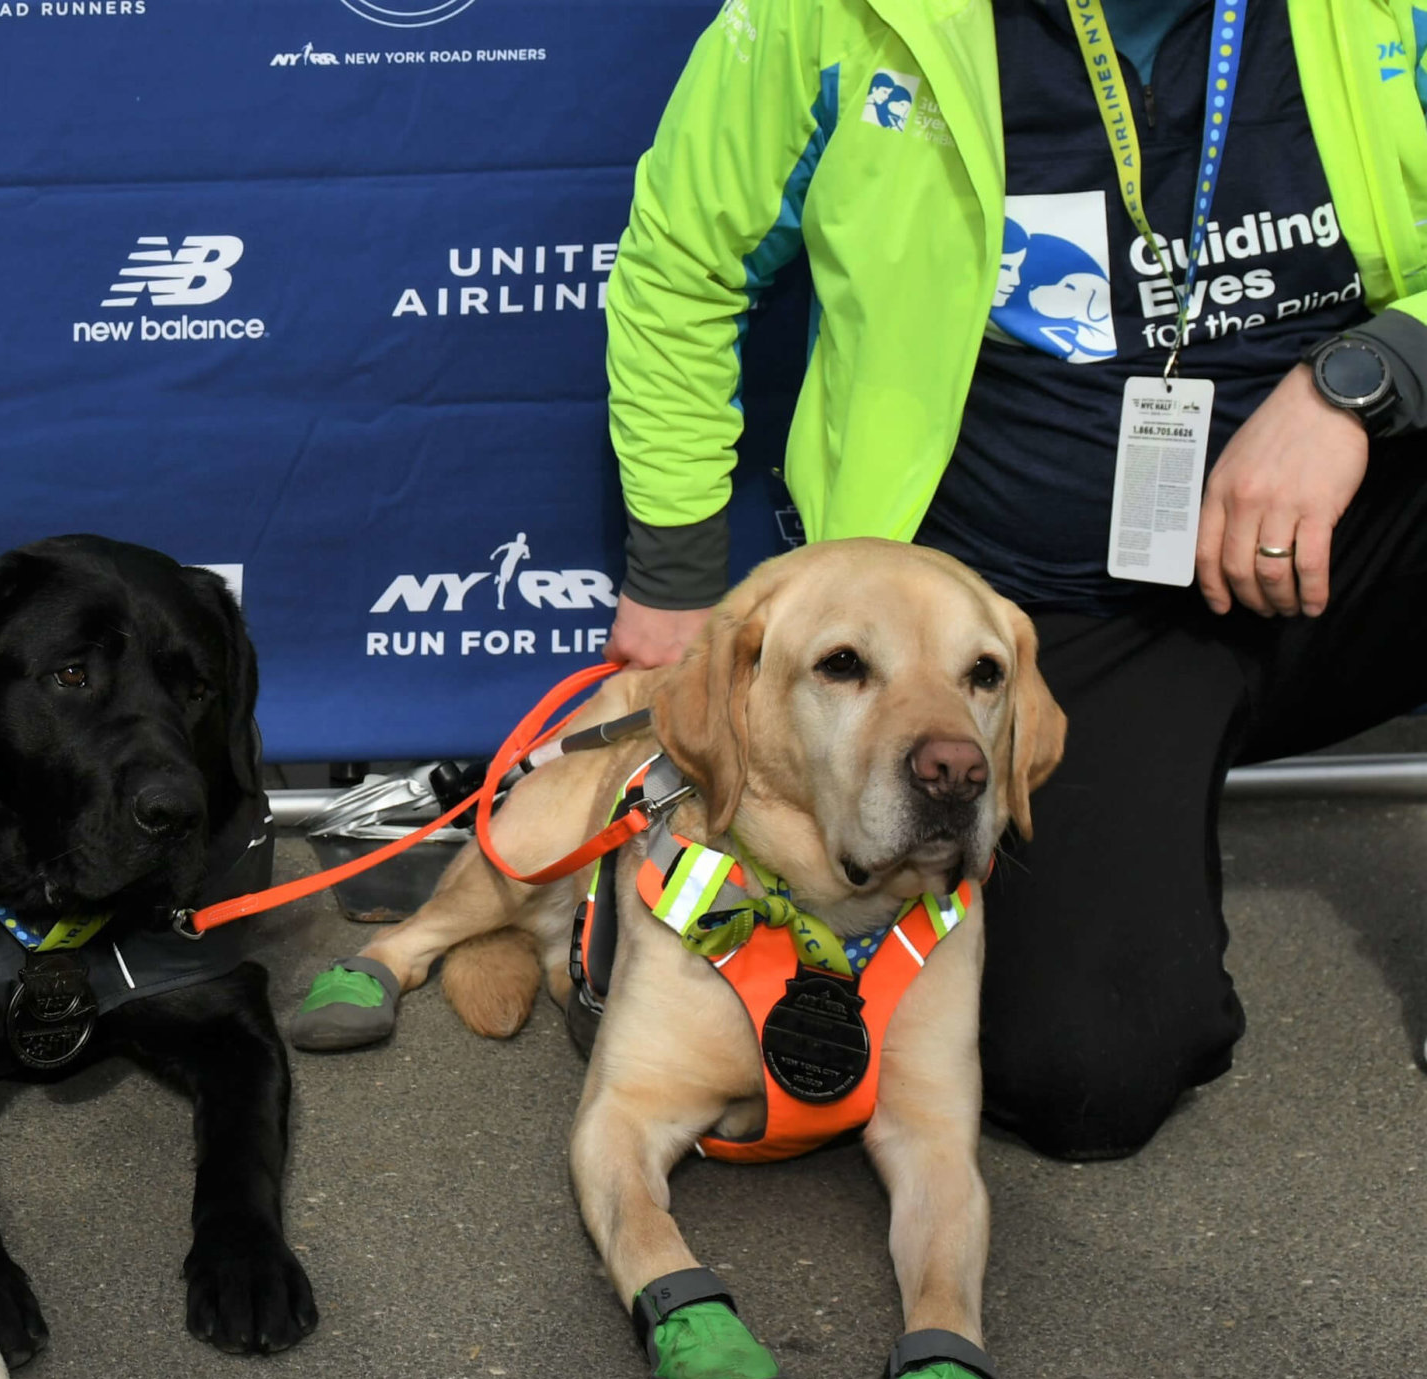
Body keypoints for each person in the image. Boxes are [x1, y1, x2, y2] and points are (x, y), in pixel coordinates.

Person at [602, 0, 1427, 1159]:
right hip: (1056, 629)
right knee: (1084, 1076)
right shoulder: (825, 15)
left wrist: (1362, 378)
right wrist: (677, 572)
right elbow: (685, 263)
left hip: (1357, 538)